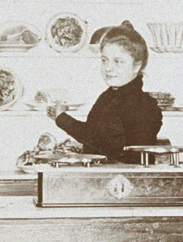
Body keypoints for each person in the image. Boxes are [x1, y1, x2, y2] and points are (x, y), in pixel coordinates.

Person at [45, 21, 162, 163]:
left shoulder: (144, 105)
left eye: (118, 61)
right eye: (104, 60)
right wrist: (61, 117)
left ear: (137, 66)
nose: (108, 68)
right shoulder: (109, 96)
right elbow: (94, 135)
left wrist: (63, 119)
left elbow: (111, 148)